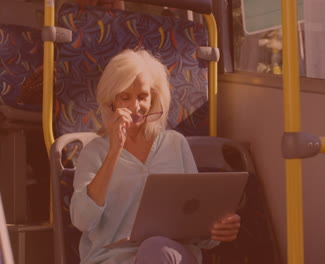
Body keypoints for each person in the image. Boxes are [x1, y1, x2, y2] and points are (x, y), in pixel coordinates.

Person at [70, 49, 241, 264]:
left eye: (142, 97)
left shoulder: (175, 143)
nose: (135, 107)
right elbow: (82, 220)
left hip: (169, 256)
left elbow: (197, 225)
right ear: (111, 102)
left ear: (154, 99)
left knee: (155, 249)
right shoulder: (93, 152)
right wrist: (114, 151)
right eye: (125, 97)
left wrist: (218, 228)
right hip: (113, 260)